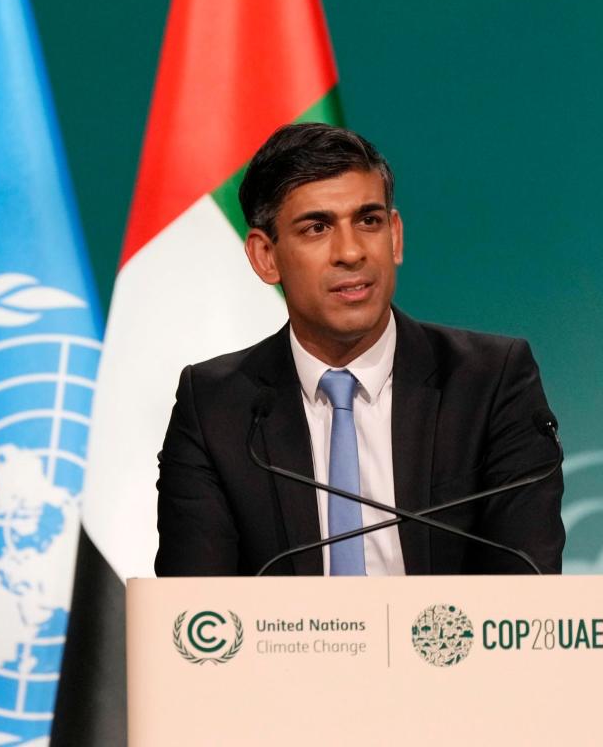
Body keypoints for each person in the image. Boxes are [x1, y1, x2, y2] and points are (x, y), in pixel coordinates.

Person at [154, 123, 564, 576]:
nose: (350, 252)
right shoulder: (217, 408)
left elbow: (525, 594)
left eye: (368, 221)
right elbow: (195, 612)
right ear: (265, 257)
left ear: (395, 235)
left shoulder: (489, 382)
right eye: (317, 227)